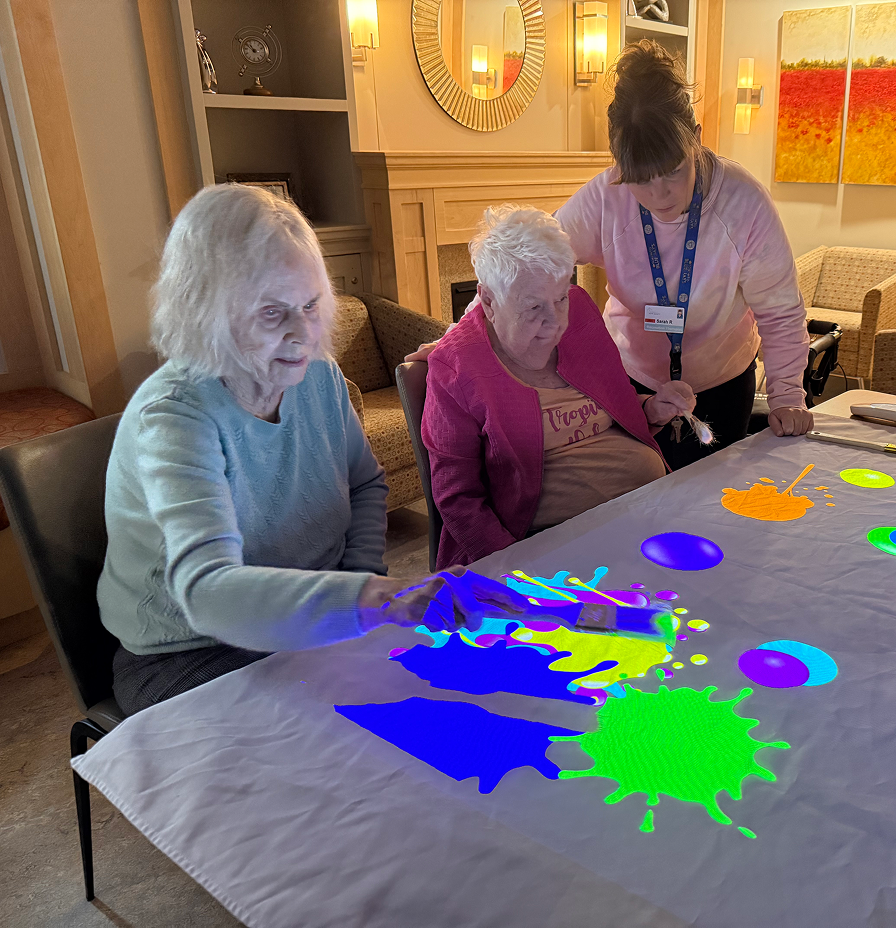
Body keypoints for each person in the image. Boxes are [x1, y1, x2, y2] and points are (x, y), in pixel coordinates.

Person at [98, 184, 521, 715]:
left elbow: (365, 483)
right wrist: (376, 599)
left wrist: (358, 581)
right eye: (273, 313)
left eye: (310, 304)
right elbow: (207, 593)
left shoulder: (318, 376)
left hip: (310, 610)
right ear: (205, 311)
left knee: (461, 694)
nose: (303, 334)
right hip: (189, 652)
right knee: (355, 738)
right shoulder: (174, 417)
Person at [555, 40, 813, 470]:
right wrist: (464, 335)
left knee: (711, 509)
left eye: (673, 171)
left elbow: (780, 312)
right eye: (640, 179)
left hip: (722, 383)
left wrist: (787, 394)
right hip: (629, 383)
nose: (659, 195)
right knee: (634, 506)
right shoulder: (605, 196)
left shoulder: (743, 201)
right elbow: (530, 263)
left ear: (694, 138)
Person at [422, 205, 693, 568]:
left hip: (647, 516)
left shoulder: (580, 313)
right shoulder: (457, 367)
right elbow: (457, 499)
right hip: (552, 553)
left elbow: (618, 410)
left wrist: (650, 409)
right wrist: (516, 570)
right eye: (534, 307)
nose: (555, 323)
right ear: (488, 300)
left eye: (561, 298)